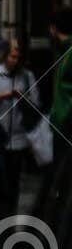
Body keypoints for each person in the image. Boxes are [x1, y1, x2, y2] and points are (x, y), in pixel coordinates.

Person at [0, 39, 39, 210]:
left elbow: (36, 104)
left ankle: (10, 212)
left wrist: (23, 98)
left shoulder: (26, 75)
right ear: (4, 56)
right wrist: (1, 96)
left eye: (17, 57)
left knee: (14, 180)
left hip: (19, 137)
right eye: (12, 56)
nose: (15, 61)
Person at [48, 10, 72, 164]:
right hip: (61, 122)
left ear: (54, 28)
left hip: (66, 124)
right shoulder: (62, 51)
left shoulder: (68, 52)